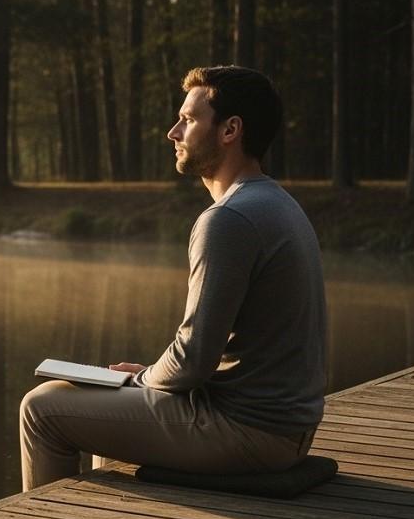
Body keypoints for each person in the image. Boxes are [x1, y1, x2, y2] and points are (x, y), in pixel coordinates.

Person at [19, 66, 327, 491]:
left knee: (42, 407)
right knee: (109, 409)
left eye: (189, 119)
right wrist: (143, 380)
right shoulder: (276, 202)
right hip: (288, 428)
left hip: (250, 432)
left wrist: (135, 379)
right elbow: (199, 360)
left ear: (230, 130)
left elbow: (192, 359)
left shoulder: (228, 219)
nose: (173, 131)